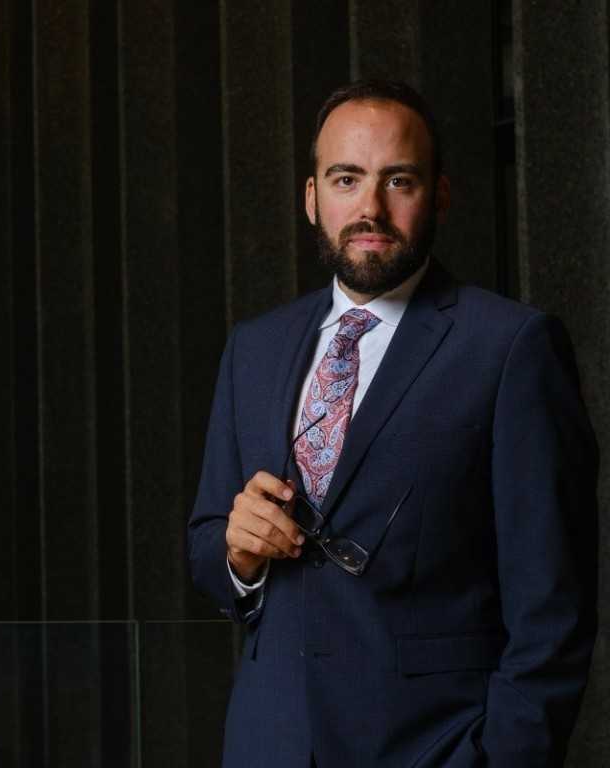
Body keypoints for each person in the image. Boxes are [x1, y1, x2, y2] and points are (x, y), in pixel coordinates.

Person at [187, 80, 598, 768]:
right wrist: (240, 558)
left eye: (398, 180)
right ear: (312, 197)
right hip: (268, 742)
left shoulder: (510, 348)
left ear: (440, 195)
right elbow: (207, 545)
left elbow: (554, 607)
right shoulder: (253, 348)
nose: (369, 208)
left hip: (432, 747)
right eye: (346, 179)